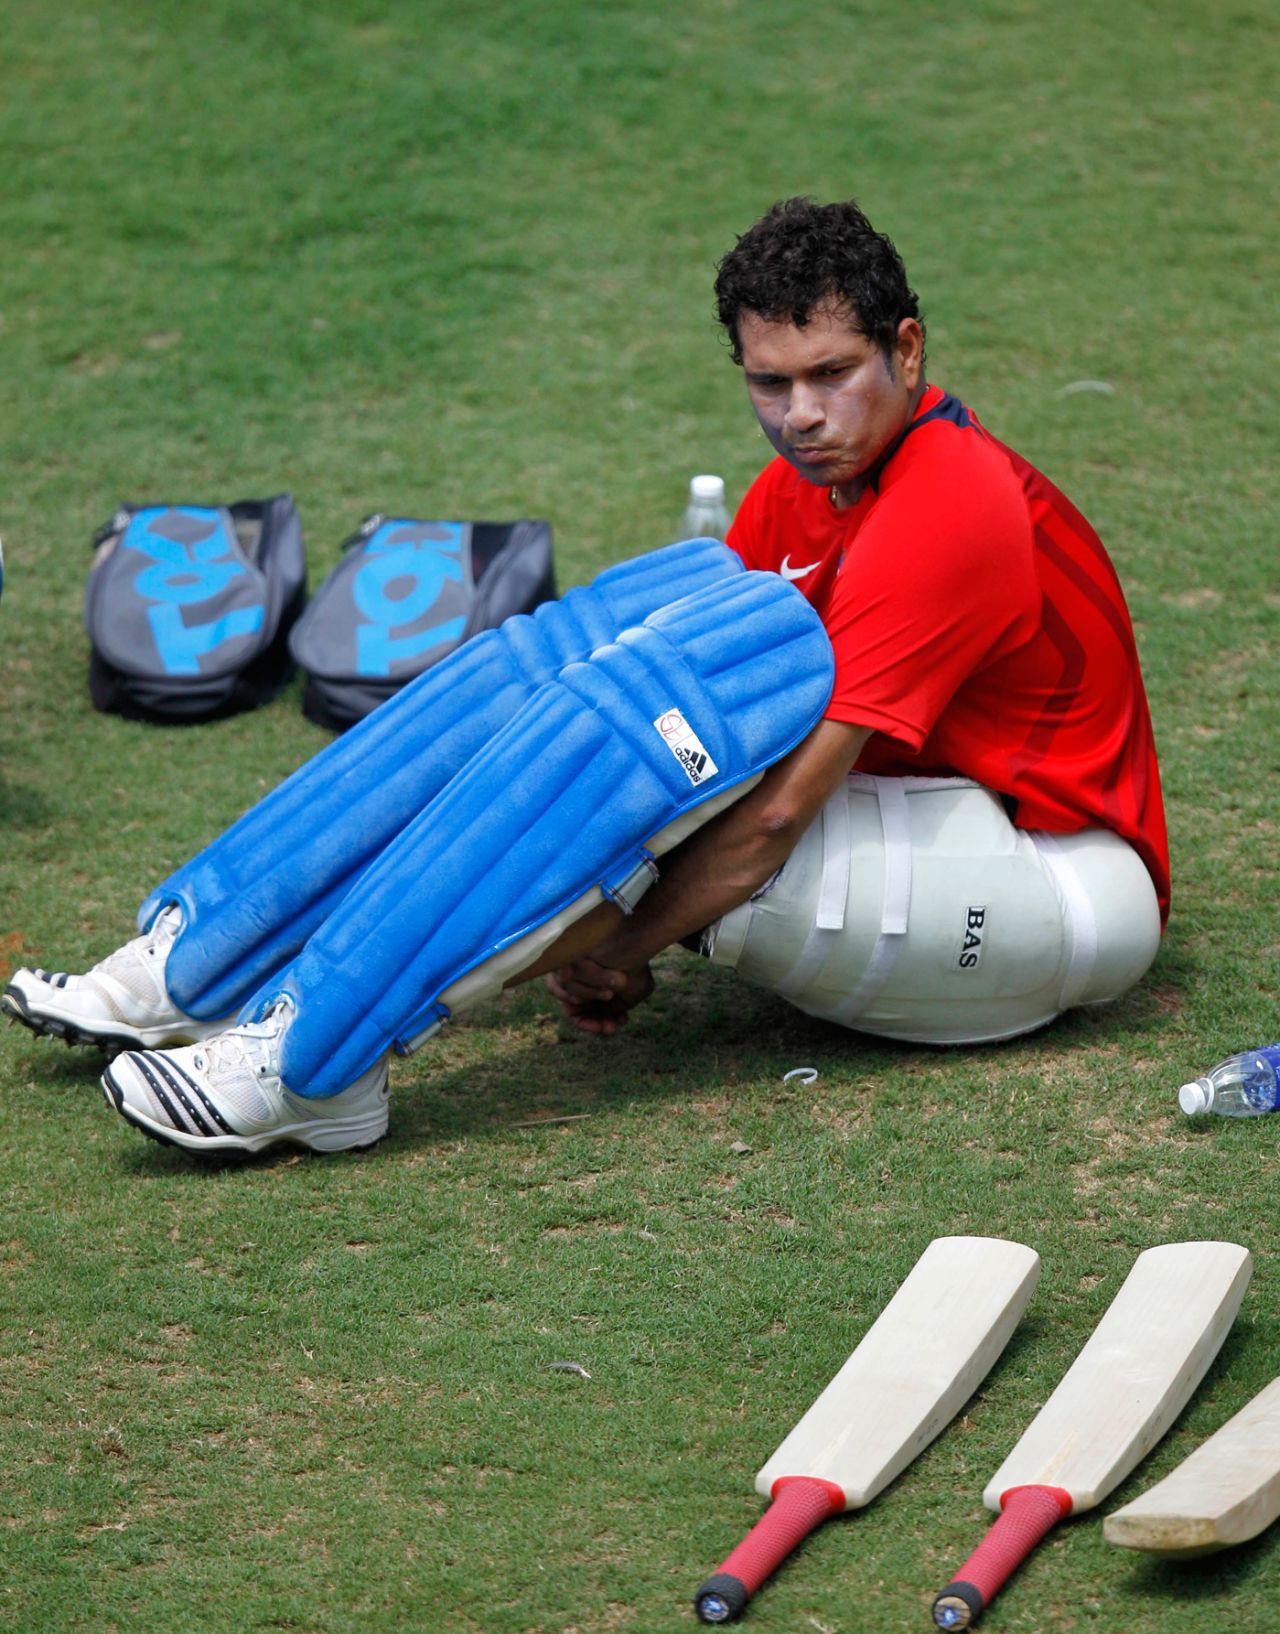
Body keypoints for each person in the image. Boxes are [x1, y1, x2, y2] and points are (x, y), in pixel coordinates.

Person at [3, 197, 1168, 1156]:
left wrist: (619, 946)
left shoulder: (950, 499)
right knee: (554, 673)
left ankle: (314, 1055)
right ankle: (214, 957)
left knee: (665, 753)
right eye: (769, 383)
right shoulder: (806, 486)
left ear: (905, 349)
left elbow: (765, 815)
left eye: (833, 371)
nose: (801, 416)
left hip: (1053, 877)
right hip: (928, 811)